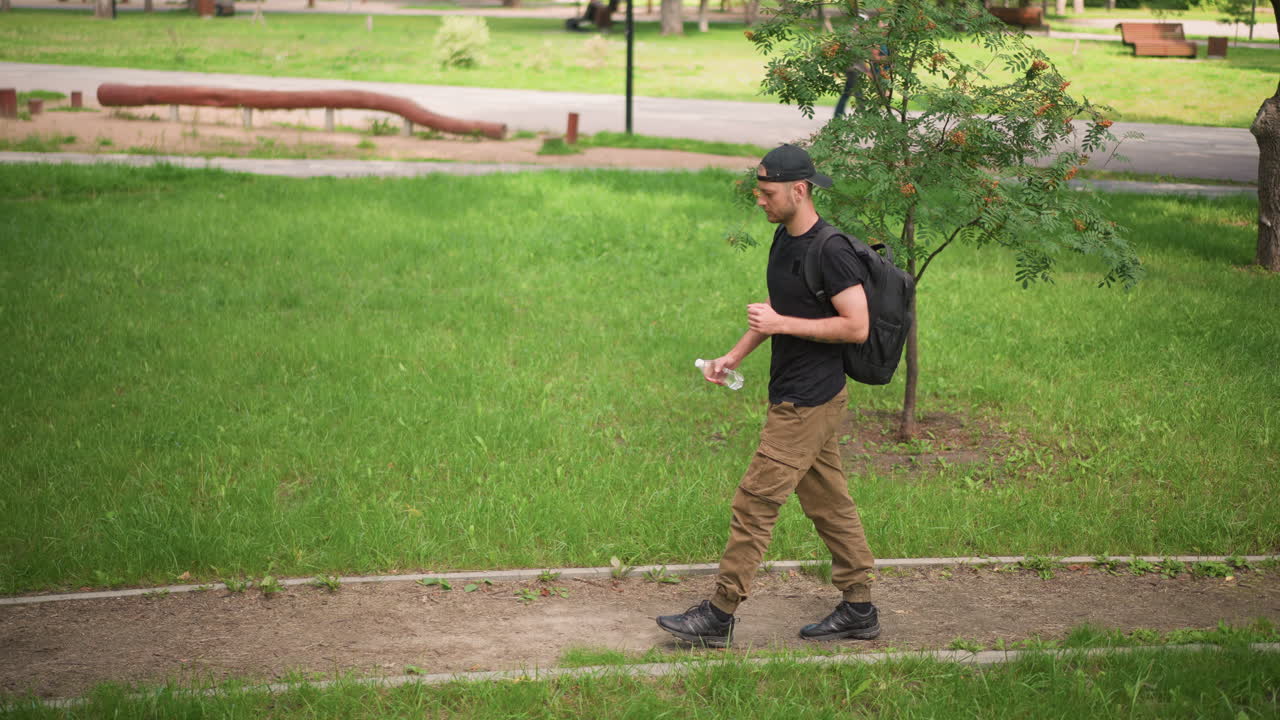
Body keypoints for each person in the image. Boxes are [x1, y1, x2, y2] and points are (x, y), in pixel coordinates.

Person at [656, 144, 880, 648]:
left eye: (767, 192)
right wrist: (734, 355)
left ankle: (719, 615)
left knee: (754, 502)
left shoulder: (833, 251)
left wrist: (783, 324)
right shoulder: (784, 240)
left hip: (809, 399)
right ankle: (860, 608)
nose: (760, 200)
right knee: (829, 503)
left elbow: (857, 326)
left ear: (798, 190)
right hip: (796, 394)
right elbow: (776, 313)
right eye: (759, 191)